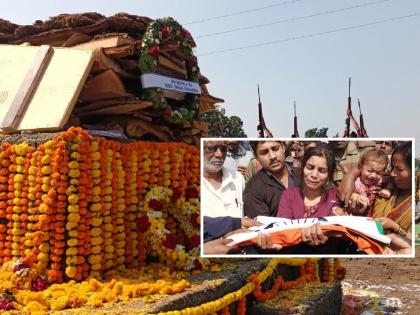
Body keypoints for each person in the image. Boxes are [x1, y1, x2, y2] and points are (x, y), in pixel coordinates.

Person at [339, 142, 413, 239]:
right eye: (393, 168)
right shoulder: (390, 183)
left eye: (399, 169)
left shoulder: (385, 183)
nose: (392, 173)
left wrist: (395, 227)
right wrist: (350, 177)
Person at [276, 143, 340, 220]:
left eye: (322, 171)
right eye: (310, 168)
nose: (314, 175)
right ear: (302, 167)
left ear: (329, 174)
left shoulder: (336, 196)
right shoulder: (288, 196)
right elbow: (283, 228)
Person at [243, 141, 299, 218]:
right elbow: (262, 227)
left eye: (275, 149)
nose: (272, 156)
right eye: (264, 152)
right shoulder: (253, 189)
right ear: (256, 156)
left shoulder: (303, 175)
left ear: (283, 147)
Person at [202, 141, 245, 218]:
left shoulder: (238, 178)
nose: (219, 154)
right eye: (212, 148)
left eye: (223, 149)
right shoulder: (192, 182)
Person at [348, 148, 389, 215]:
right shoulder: (356, 183)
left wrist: (388, 189)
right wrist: (355, 196)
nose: (373, 175)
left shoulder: (380, 181)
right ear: (360, 167)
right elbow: (347, 194)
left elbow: (391, 180)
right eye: (370, 171)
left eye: (378, 173)